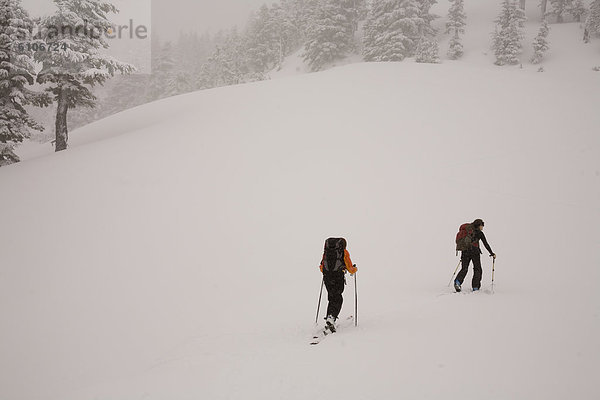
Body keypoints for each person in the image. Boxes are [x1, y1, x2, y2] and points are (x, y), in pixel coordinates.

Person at [319, 238, 357, 332]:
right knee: (337, 297)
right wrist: (354, 269)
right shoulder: (343, 252)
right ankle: (331, 318)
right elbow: (349, 267)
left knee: (331, 297)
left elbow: (321, 266)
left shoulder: (326, 252)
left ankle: (330, 317)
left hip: (327, 277)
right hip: (338, 277)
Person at [454, 219, 496, 292]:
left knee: (464, 268)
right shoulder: (479, 233)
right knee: (477, 269)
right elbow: (485, 244)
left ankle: (458, 282)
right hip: (474, 251)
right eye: (482, 226)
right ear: (479, 225)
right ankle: (475, 287)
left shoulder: (467, 230)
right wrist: (492, 253)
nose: (482, 228)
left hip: (465, 251)